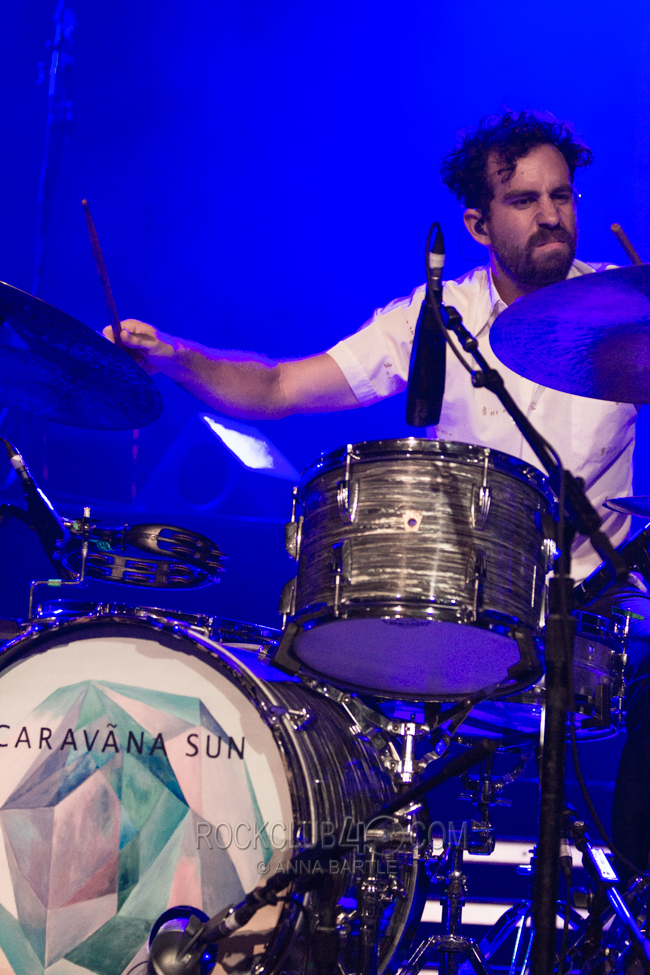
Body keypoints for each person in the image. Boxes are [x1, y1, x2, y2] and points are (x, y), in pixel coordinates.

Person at [104, 111, 650, 874]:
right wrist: (175, 356)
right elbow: (279, 385)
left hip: (603, 603)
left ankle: (637, 896)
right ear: (478, 224)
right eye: (525, 200)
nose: (552, 214)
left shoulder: (626, 311)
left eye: (562, 195)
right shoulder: (435, 317)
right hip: (466, 603)